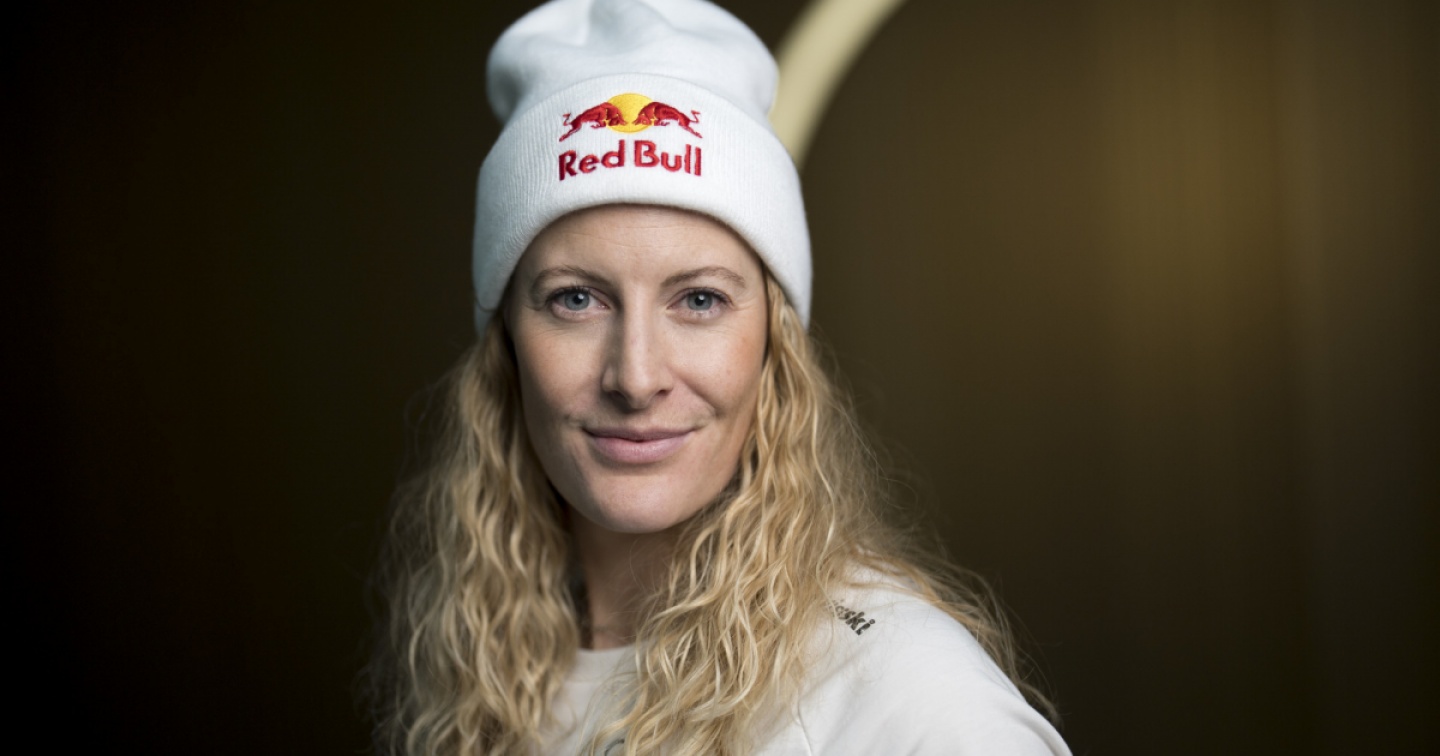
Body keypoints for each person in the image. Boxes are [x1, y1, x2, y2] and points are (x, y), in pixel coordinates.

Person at [368, 1, 1071, 754]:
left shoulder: (909, 697)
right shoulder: (485, 669)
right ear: (507, 340)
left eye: (699, 300)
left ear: (775, 344)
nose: (636, 377)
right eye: (576, 299)